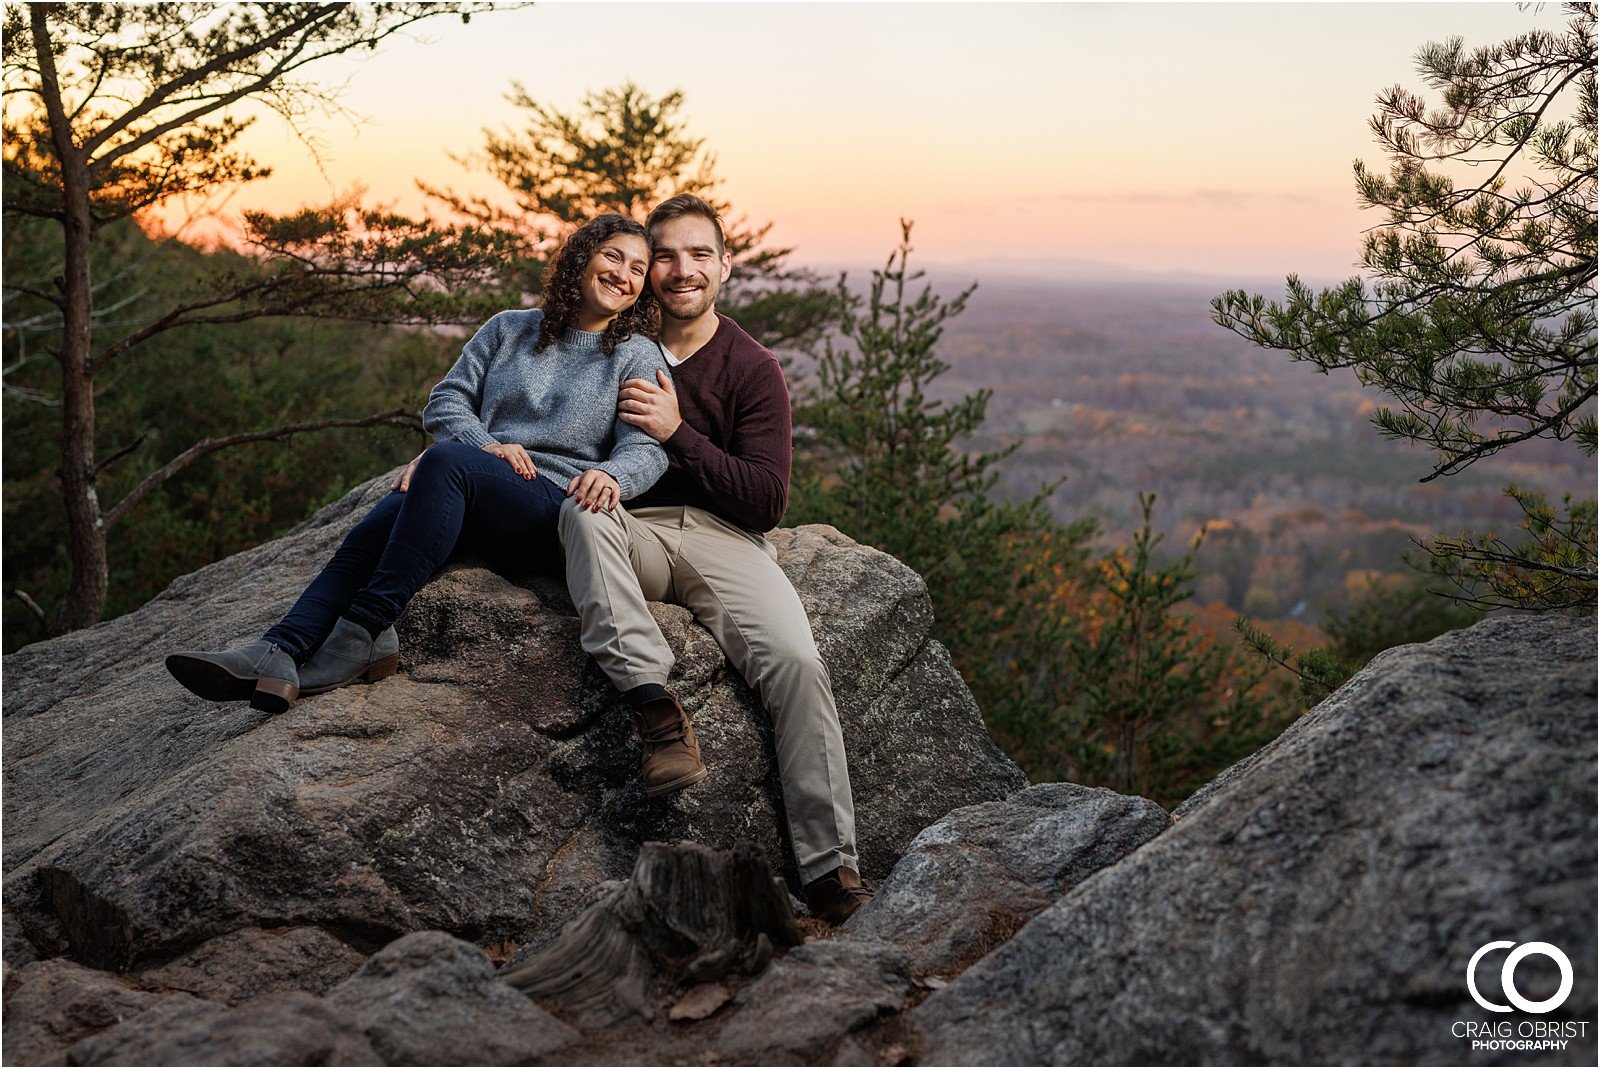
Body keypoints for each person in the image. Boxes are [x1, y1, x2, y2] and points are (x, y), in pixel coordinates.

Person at [166, 215, 668, 715]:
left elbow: (647, 447)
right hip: (478, 483)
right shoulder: (509, 329)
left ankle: (365, 628)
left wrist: (612, 475)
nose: (623, 275)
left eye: (638, 269)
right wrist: (484, 446)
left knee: (443, 462)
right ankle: (279, 650)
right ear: (582, 260)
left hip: (550, 509)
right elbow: (447, 400)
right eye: (613, 257)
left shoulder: (634, 356)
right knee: (380, 524)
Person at [559, 193, 873, 925]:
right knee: (582, 513)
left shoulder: (751, 366)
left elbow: (765, 499)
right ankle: (656, 709)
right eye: (664, 254)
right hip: (627, 529)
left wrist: (677, 434)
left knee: (796, 661)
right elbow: (533, 416)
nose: (680, 269)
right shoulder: (608, 344)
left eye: (700, 253)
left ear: (725, 266)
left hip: (723, 538)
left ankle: (831, 866)